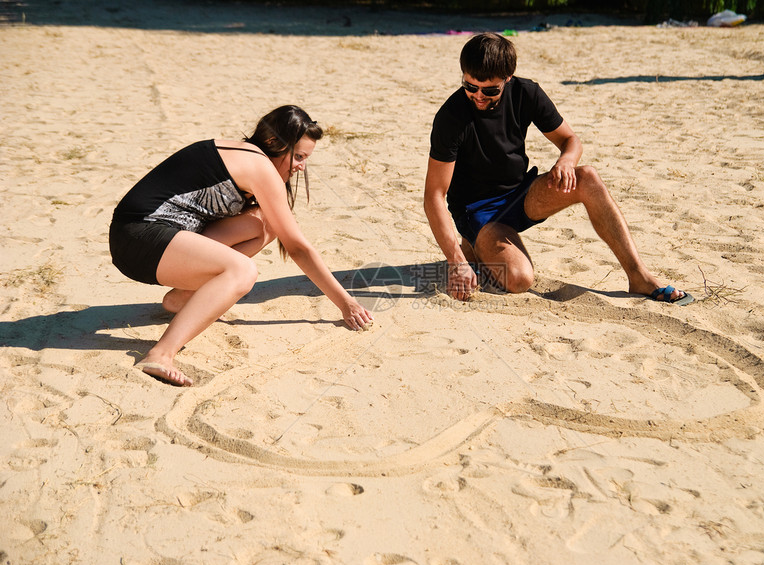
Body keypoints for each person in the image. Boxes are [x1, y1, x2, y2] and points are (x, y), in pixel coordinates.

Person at [110, 105, 374, 386]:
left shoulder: (242, 152)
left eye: (306, 159)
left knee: (266, 223)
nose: (301, 167)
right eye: (297, 157)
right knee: (243, 272)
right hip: (140, 238)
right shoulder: (259, 167)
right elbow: (297, 248)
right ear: (273, 143)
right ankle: (161, 354)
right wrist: (346, 303)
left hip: (160, 237)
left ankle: (184, 296)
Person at [424, 33, 694, 306]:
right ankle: (471, 245)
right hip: (478, 210)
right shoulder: (451, 116)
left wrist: (566, 161)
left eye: (489, 90)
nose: (478, 96)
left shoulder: (526, 93)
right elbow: (434, 195)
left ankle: (639, 276)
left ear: (508, 78)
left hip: (520, 194)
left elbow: (570, 140)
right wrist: (455, 262)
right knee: (519, 280)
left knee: (587, 177)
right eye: (470, 86)